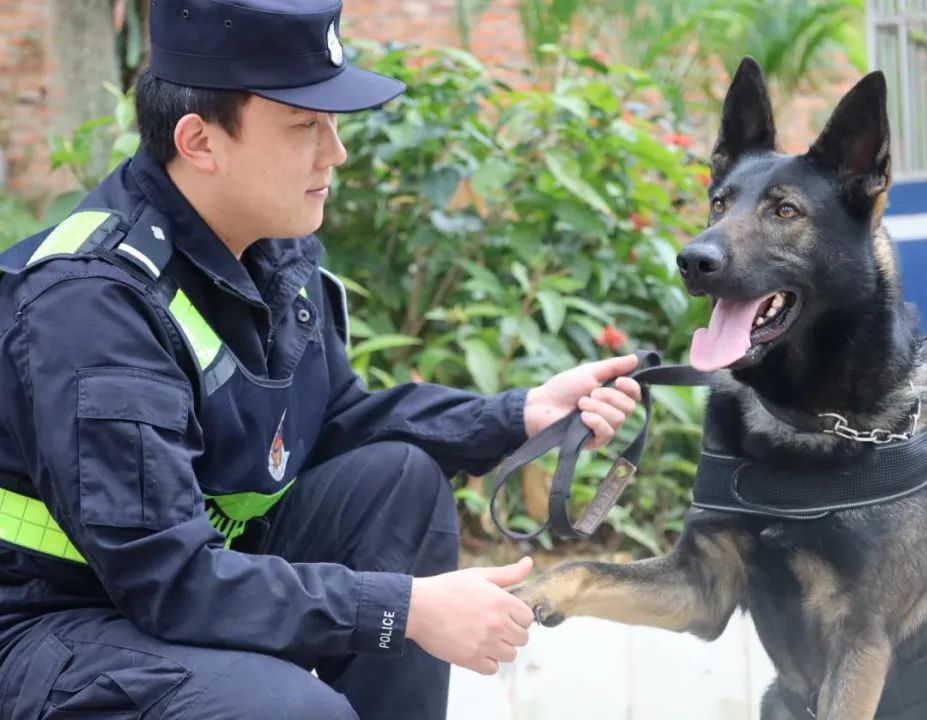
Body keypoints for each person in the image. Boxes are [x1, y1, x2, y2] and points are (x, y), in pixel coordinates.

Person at [0, 1, 642, 717]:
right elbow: (167, 578)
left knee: (397, 481)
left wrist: (520, 415)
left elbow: (336, 423)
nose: (334, 151)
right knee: (293, 712)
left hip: (171, 587)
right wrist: (402, 609)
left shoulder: (268, 249)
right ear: (200, 141)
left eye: (332, 123)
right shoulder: (93, 302)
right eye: (304, 125)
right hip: (48, 624)